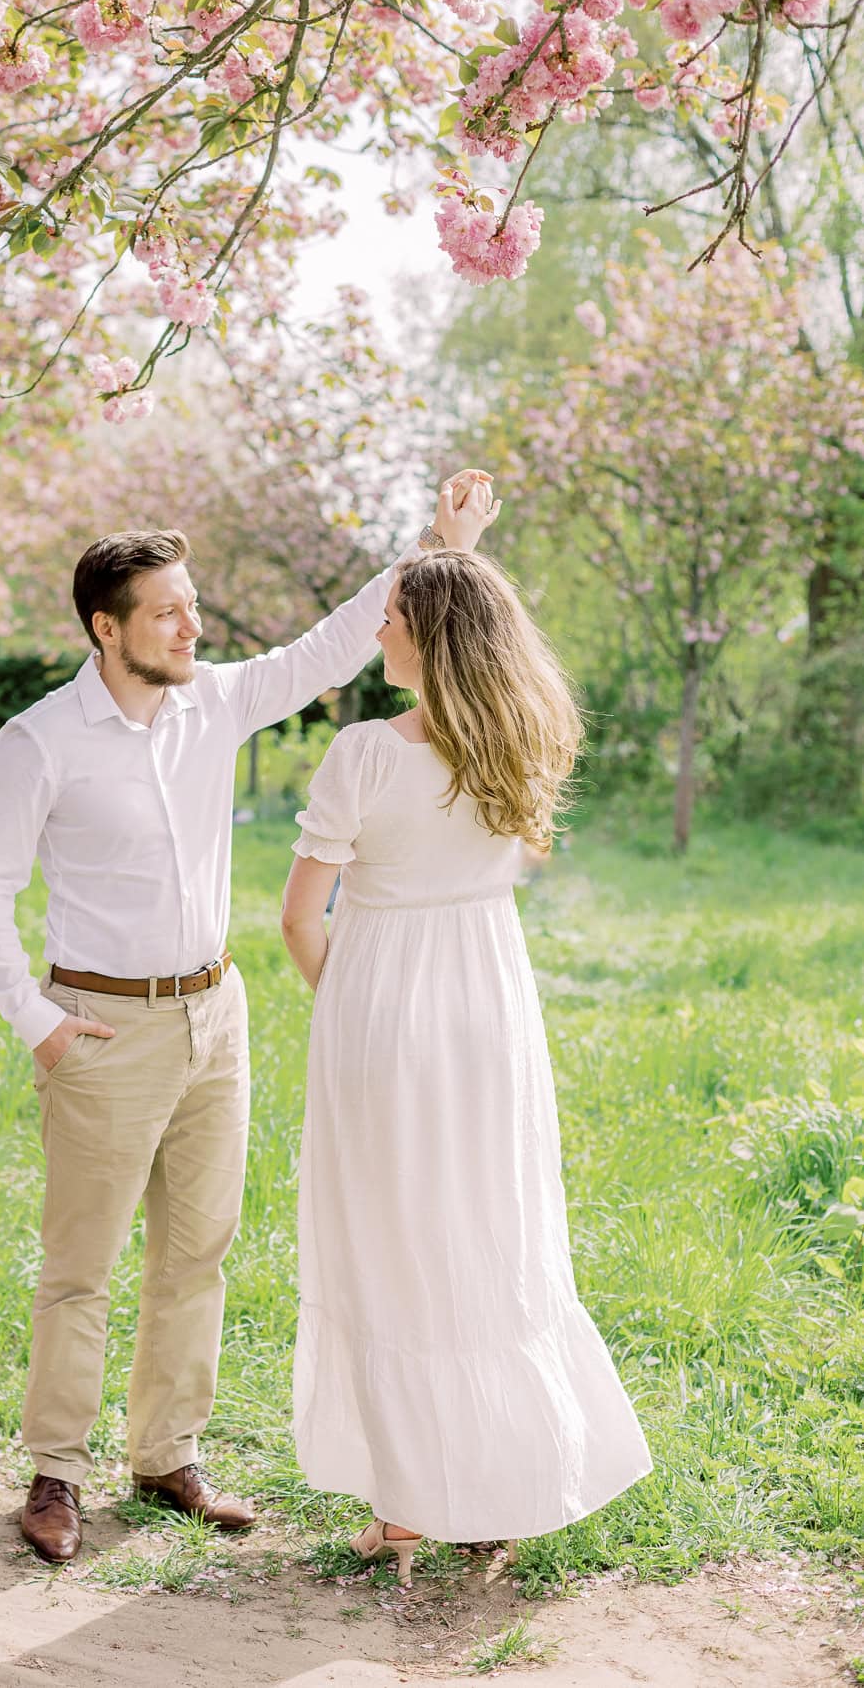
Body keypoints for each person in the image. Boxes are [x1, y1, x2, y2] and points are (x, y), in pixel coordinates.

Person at [0, 477, 497, 1563]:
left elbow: (332, 646)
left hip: (216, 1015)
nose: (193, 625)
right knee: (83, 1265)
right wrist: (38, 1023)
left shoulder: (217, 699)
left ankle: (167, 1458)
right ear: (107, 629)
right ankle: (57, 1470)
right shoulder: (42, 740)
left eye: (193, 604)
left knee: (199, 1252)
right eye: (167, 611)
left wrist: (440, 543)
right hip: (100, 1027)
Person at [280, 500, 652, 1586]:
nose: (378, 631)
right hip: (491, 1005)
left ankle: (406, 1511)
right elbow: (465, 630)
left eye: (391, 615)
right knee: (488, 1232)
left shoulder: (361, 756)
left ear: (423, 634)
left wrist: (352, 1011)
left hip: (382, 1003)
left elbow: (303, 919)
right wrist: (456, 556)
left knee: (390, 1243)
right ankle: (505, 1489)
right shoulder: (520, 736)